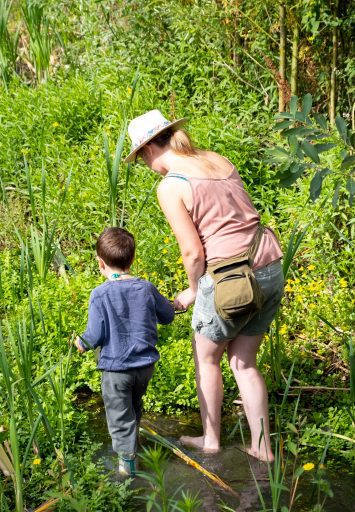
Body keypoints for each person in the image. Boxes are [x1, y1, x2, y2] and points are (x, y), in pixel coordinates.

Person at [123, 109, 284, 462]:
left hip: (228, 279)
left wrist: (194, 290)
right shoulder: (217, 160)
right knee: (244, 362)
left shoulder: (170, 186)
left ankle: (211, 440)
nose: (143, 164)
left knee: (207, 359)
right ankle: (263, 448)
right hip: (270, 264)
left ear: (149, 149)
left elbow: (192, 252)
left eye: (140, 158)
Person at [75, 226, 175, 475]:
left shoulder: (99, 294)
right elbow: (168, 315)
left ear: (100, 263)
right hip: (144, 367)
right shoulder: (147, 288)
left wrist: (81, 343)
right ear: (132, 259)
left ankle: (127, 470)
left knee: (119, 417)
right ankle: (134, 446)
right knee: (134, 406)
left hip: (116, 369)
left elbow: (95, 335)